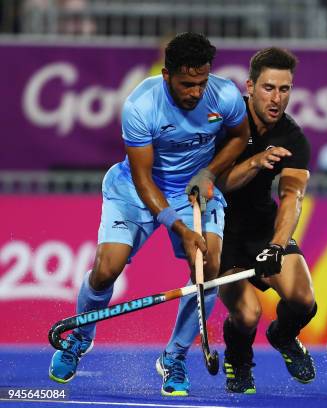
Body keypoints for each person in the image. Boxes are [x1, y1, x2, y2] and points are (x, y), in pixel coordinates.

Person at [48, 33, 250, 398]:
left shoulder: (226, 95)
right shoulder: (141, 105)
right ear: (166, 75)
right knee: (107, 267)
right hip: (137, 191)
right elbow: (143, 181)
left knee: (209, 266)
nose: (196, 92)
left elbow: (239, 136)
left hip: (192, 189)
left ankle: (173, 358)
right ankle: (80, 336)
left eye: (202, 82)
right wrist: (178, 226)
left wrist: (209, 172)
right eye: (187, 84)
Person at [214, 47, 316, 394]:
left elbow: (292, 197)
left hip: (261, 226)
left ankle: (283, 336)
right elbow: (216, 185)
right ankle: (239, 365)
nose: (276, 98)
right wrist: (257, 162)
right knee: (247, 315)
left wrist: (276, 245)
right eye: (268, 88)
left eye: (284, 89)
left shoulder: (292, 136)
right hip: (219, 229)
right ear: (250, 87)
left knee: (303, 300)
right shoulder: (227, 123)